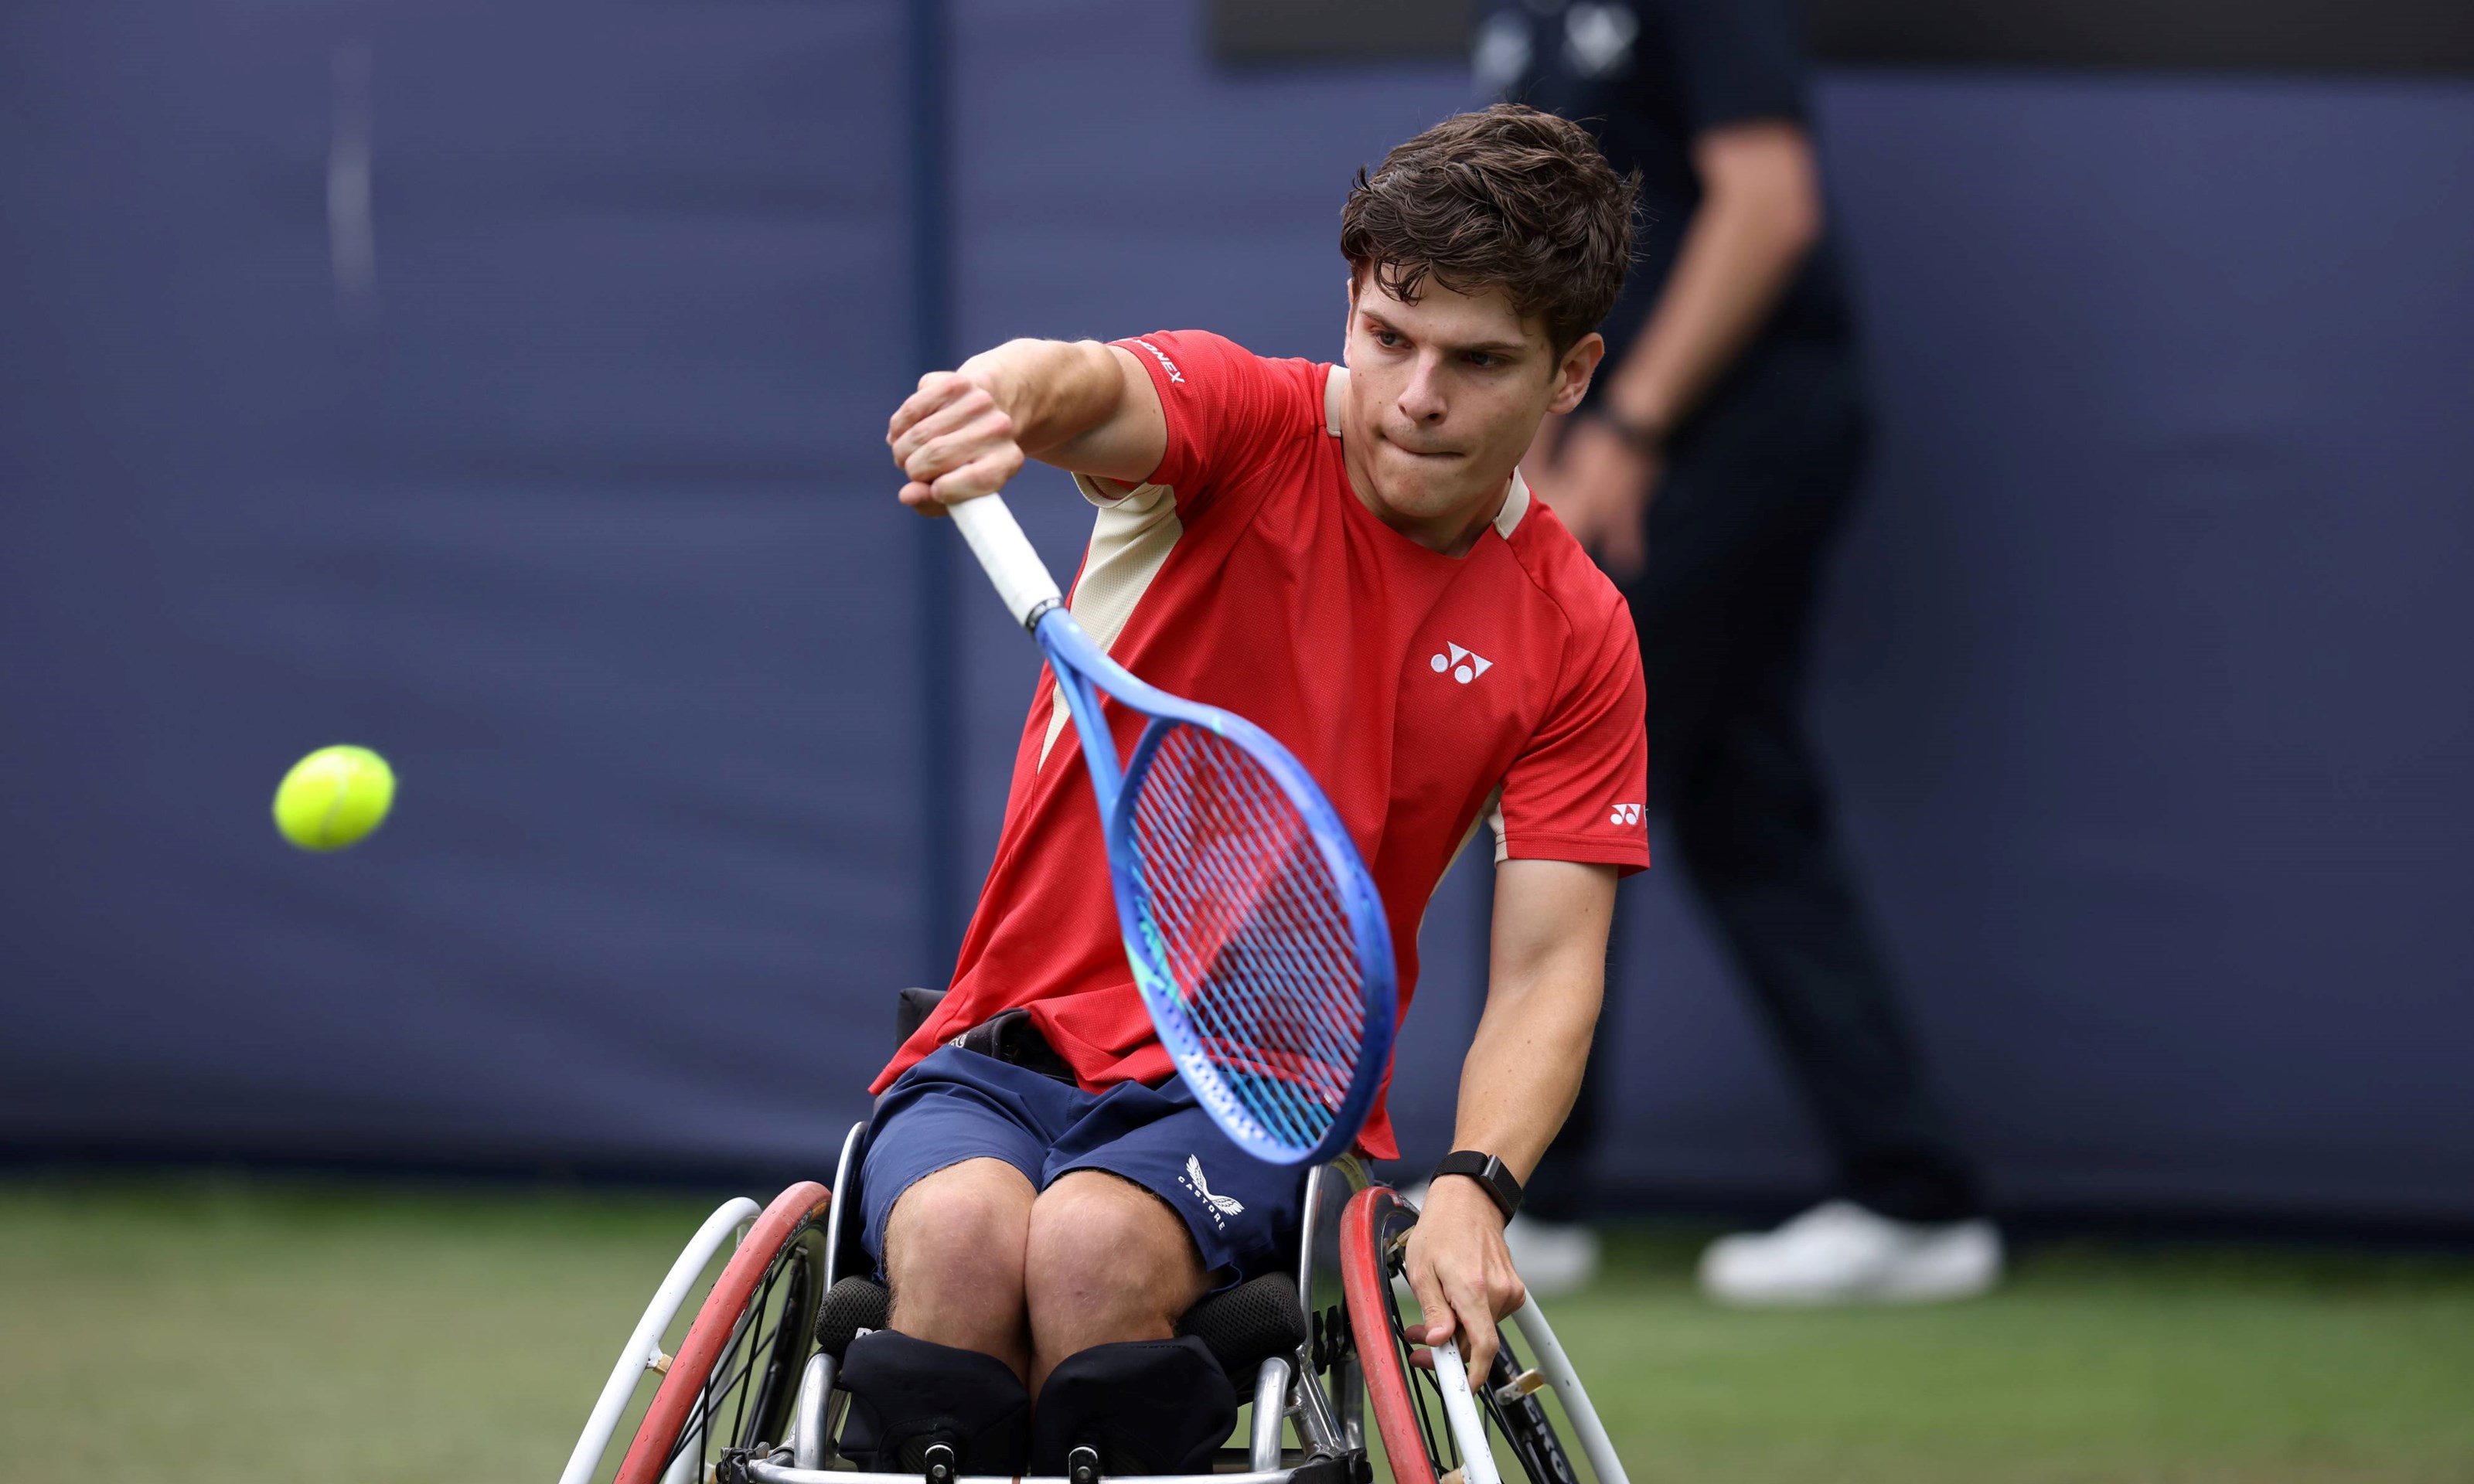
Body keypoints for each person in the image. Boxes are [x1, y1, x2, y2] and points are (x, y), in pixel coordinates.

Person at [850, 106, 1651, 1477]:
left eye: (1478, 361)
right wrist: (998, 397)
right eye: (1389, 336)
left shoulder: (1575, 633)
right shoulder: (1243, 421)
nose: (1416, 396)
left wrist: (1477, 1183)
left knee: (1092, 1249)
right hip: (1001, 1049)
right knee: (965, 1240)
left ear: (1571, 374)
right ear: (1351, 309)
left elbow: (1549, 970)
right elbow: (1087, 385)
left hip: (1264, 1098)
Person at [1470, 0, 2001, 1305]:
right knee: (1735, 791)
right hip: (1625, 431)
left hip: (1730, 432)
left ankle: (1521, 1193)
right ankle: (1910, 1188)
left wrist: (1629, 429)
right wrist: (1544, 435)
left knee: (1564, 755)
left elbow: (1768, 204)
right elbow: (1541, 243)